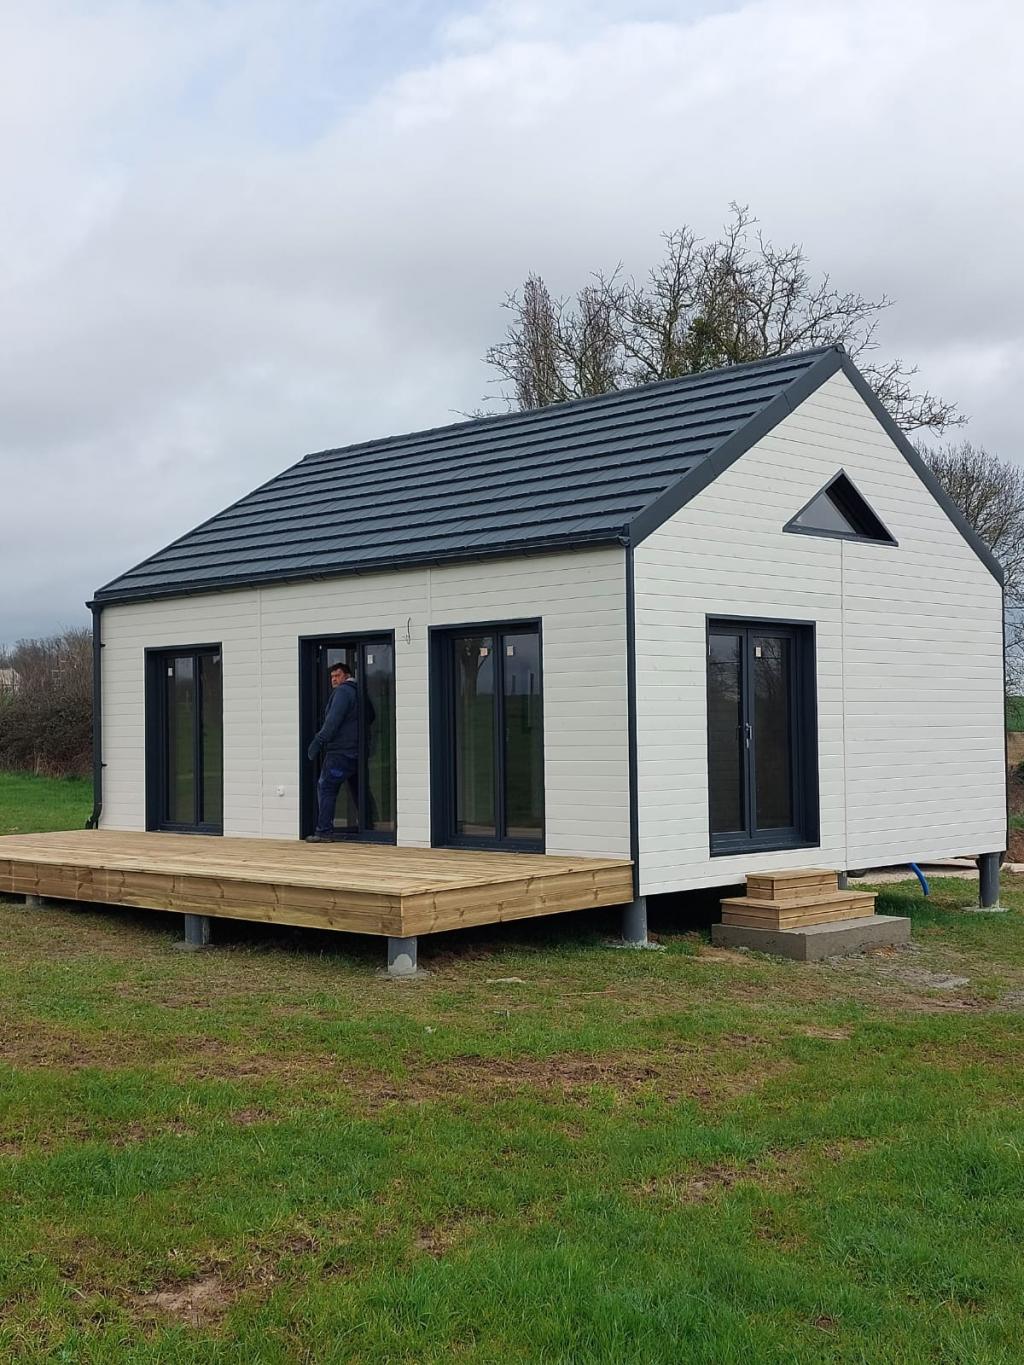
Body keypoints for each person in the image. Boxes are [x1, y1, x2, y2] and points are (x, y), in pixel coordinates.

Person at [306, 660, 360, 842]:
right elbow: (371, 716)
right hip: (357, 751)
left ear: (347, 676)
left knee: (326, 786)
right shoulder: (359, 691)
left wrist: (318, 741)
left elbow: (332, 721)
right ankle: (370, 826)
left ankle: (324, 831)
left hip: (340, 751)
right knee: (359, 789)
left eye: (337, 675)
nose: (334, 679)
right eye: (332, 676)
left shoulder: (343, 692)